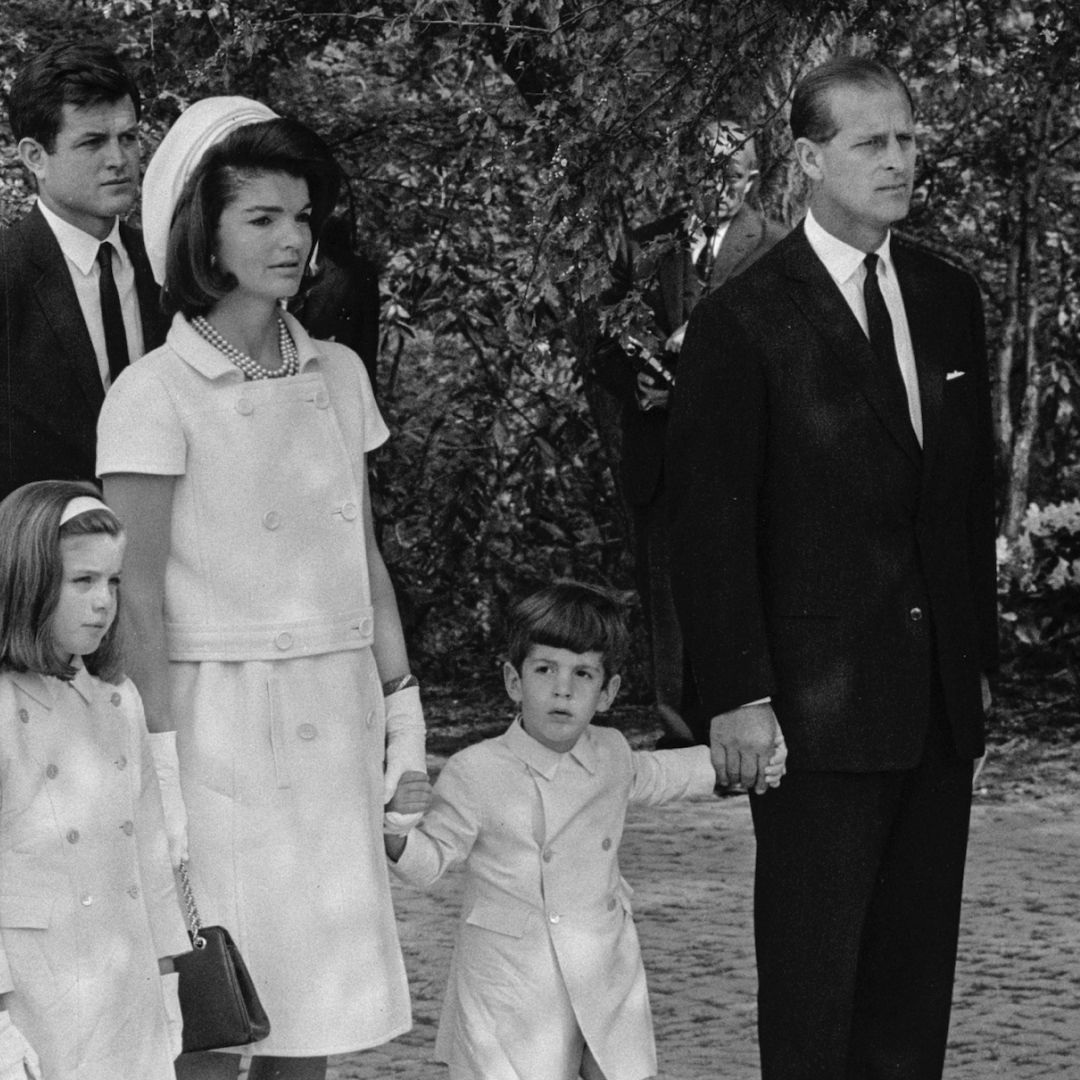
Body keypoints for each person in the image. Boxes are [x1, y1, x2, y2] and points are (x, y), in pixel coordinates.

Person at [666, 58, 998, 1079]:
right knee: (814, 994)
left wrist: (974, 669)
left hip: (936, 706)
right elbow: (709, 523)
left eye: (907, 139)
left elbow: (962, 500)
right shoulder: (744, 320)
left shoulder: (948, 295)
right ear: (809, 159)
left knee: (909, 998)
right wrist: (738, 694)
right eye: (871, 142)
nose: (899, 160)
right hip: (809, 714)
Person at [96, 98, 427, 1080]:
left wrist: (402, 703)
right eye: (261, 218)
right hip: (215, 735)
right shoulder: (153, 395)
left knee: (311, 1014)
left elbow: (361, 553)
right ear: (207, 234)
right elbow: (137, 599)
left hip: (332, 713)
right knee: (216, 1008)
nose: (291, 238)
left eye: (301, 216)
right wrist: (153, 761)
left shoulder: (340, 376)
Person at [386, 581, 786, 1080]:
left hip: (601, 961)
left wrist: (741, 763)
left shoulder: (611, 753)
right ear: (514, 681)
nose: (562, 689)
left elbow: (664, 775)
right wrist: (398, 826)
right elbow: (430, 862)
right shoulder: (476, 770)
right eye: (544, 669)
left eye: (582, 673)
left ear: (607, 692)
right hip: (512, 978)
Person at [595, 122, 787, 740]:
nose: (719, 186)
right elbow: (600, 341)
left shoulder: (780, 249)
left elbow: (787, 356)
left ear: (753, 179)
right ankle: (680, 733)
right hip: (661, 454)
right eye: (706, 172)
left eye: (732, 174)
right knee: (669, 593)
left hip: (744, 460)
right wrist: (638, 386)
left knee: (744, 588)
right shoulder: (647, 246)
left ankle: (744, 724)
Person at [0, 479, 189, 1080]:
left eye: (112, 581)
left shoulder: (118, 700)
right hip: (37, 995)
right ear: (27, 581)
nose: (104, 602)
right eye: (82, 582)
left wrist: (168, 979)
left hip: (124, 984)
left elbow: (152, 859)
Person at [0, 42, 169, 502]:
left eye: (129, 138)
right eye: (92, 142)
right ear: (35, 156)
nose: (119, 159)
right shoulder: (8, 275)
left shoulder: (166, 267)